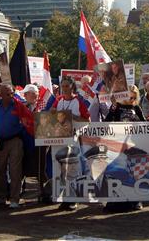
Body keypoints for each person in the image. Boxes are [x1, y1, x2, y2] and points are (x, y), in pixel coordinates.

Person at [0, 84, 34, 209]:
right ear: (1, 94)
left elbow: (30, 120)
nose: (10, 96)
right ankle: (0, 197)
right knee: (0, 170)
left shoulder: (19, 106)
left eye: (11, 93)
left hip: (15, 141)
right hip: (1, 142)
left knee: (15, 171)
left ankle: (15, 199)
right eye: (7, 93)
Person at [51, 77, 91, 211]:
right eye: (63, 86)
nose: (64, 88)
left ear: (72, 86)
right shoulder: (59, 100)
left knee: (73, 170)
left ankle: (74, 200)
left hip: (73, 139)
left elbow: (87, 120)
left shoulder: (78, 101)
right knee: (61, 171)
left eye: (67, 86)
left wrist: (72, 117)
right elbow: (52, 116)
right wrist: (52, 113)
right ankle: (65, 198)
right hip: (58, 139)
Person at [104, 85, 145, 212]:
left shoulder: (137, 107)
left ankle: (136, 200)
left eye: (134, 97)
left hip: (133, 145)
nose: (131, 99)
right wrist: (113, 107)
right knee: (117, 173)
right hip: (118, 144)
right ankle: (115, 201)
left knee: (133, 173)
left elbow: (144, 124)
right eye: (129, 96)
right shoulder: (117, 107)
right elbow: (107, 121)